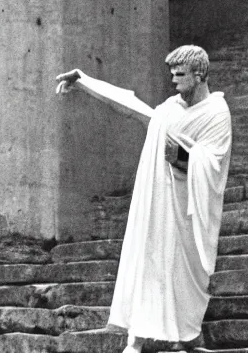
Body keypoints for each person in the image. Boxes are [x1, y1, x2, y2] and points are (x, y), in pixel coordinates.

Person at [56, 45, 232, 352]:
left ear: (199, 75)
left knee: (185, 275)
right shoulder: (167, 110)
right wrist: (84, 81)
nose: (174, 81)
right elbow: (130, 106)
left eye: (180, 74)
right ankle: (136, 339)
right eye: (172, 75)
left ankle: (187, 337)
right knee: (150, 261)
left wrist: (180, 156)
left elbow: (214, 164)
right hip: (159, 204)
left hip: (190, 209)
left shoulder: (217, 114)